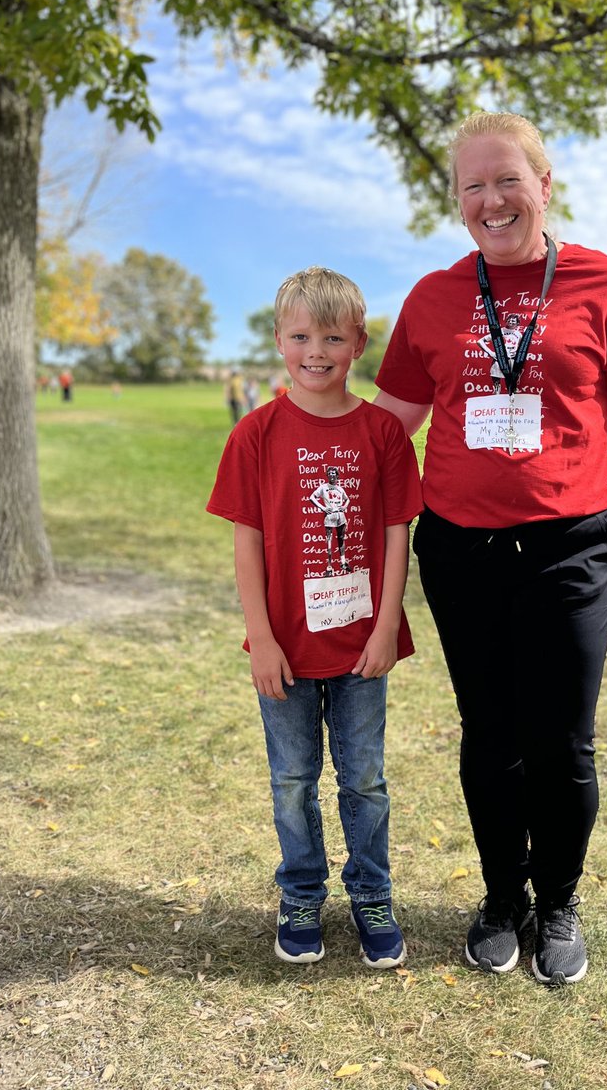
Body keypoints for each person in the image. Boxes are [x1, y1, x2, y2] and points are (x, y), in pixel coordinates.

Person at [374, 111, 607, 986]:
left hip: (570, 550)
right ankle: (503, 897)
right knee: (489, 735)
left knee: (563, 741)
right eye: (472, 185)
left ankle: (560, 902)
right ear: (457, 202)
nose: (490, 199)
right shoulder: (433, 298)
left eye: (508, 179)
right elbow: (391, 431)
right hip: (461, 551)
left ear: (545, 186)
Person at [207, 267, 423, 969]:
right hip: (286, 651)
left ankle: (371, 892)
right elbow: (247, 539)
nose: (316, 350)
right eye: (301, 336)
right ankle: (301, 891)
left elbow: (396, 532)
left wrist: (388, 623)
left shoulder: (383, 432)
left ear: (357, 342)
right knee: (293, 779)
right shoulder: (256, 434)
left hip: (362, 644)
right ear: (279, 341)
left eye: (332, 336)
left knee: (364, 779)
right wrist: (261, 639)